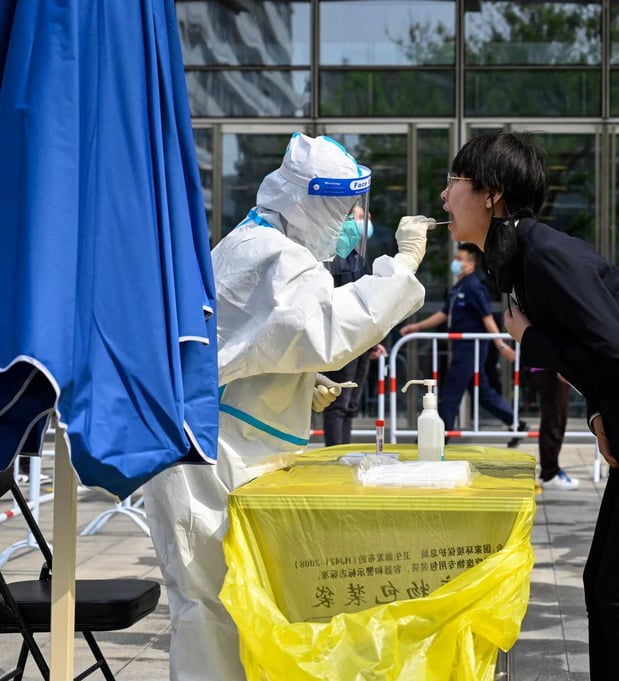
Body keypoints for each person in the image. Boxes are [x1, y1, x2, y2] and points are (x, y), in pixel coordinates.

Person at [445, 130, 619, 681]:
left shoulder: (546, 253)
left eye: (452, 182)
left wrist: (530, 340)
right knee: (602, 585)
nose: (443, 197)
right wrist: (599, 418)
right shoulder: (517, 256)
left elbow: (618, 352)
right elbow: (600, 352)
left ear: (491, 192)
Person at [144, 132, 431, 681]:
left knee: (232, 607)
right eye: (343, 209)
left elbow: (254, 344)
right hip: (205, 459)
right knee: (212, 609)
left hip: (219, 448)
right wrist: (403, 266)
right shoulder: (270, 254)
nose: (351, 222)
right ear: (308, 200)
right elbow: (328, 326)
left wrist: (300, 381)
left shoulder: (263, 244)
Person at [399, 242, 526, 445]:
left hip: (471, 349)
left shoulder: (475, 288)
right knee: (482, 392)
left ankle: (440, 434)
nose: (455, 263)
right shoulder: (458, 287)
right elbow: (444, 314)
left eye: (460, 260)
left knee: (451, 391)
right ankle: (515, 422)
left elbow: (488, 319)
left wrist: (501, 345)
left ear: (471, 264)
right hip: (462, 348)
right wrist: (416, 327)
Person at [321, 242, 387, 446]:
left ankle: (342, 451)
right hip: (343, 338)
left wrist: (373, 341)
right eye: (355, 216)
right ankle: (334, 454)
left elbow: (367, 300)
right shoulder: (330, 259)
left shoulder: (358, 259)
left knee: (350, 405)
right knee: (338, 404)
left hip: (361, 342)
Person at [530, 367, 578, 490]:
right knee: (554, 420)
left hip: (550, 366)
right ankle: (550, 474)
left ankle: (551, 471)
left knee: (556, 419)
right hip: (550, 367)